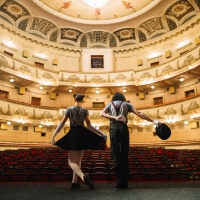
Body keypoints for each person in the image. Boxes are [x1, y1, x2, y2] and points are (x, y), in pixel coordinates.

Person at [101, 92, 160, 189]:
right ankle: (125, 182)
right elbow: (139, 113)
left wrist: (114, 117)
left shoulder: (109, 104)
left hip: (113, 128)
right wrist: (153, 121)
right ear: (122, 98)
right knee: (124, 155)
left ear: (114, 98)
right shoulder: (126, 104)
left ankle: (119, 182)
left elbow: (102, 114)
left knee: (115, 155)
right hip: (123, 127)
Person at [51, 94, 107, 190]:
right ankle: (74, 182)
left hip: (73, 134)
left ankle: (83, 176)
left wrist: (53, 136)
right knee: (78, 161)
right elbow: (89, 125)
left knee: (71, 161)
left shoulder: (69, 109)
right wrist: (101, 134)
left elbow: (61, 123)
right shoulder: (85, 110)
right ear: (82, 101)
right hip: (83, 134)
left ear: (74, 99)